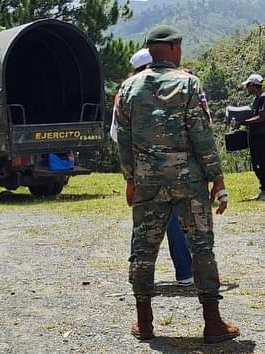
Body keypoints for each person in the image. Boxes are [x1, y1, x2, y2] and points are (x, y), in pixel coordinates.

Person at [115, 25, 239, 343]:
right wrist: (218, 179)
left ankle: (144, 323)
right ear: (172, 49)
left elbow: (123, 143)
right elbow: (202, 135)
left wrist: (131, 179)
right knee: (202, 248)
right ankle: (213, 323)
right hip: (189, 183)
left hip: (148, 183)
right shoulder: (188, 83)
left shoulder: (127, 89)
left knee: (143, 251)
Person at [111, 48, 194, 287]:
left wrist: (130, 174)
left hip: (142, 168)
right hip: (175, 166)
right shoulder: (178, 85)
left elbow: (117, 136)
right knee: (176, 217)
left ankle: (140, 273)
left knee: (144, 220)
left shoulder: (126, 92)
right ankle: (185, 272)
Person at [235, 74, 265, 200]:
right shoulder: (256, 99)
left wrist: (242, 122)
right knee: (257, 163)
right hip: (255, 136)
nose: (247, 88)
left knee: (262, 162)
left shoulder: (263, 98)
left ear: (253, 85)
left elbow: (261, 117)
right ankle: (263, 189)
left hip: (262, 136)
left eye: (248, 85)